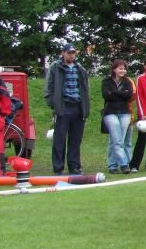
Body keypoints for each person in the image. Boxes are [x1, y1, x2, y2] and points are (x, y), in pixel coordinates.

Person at [44, 43, 90, 175]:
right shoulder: (55, 67)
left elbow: (85, 88)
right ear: (63, 53)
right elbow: (48, 87)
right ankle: (58, 167)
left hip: (78, 106)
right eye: (69, 53)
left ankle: (74, 166)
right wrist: (53, 104)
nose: (71, 55)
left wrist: (85, 106)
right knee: (59, 139)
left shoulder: (80, 68)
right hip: (63, 106)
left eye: (73, 53)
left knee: (75, 139)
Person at [101, 59, 135, 174]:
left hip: (125, 112)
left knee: (115, 140)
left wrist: (114, 92)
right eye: (120, 68)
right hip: (110, 112)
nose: (123, 71)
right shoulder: (106, 81)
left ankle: (112, 165)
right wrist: (121, 94)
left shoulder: (127, 81)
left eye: (124, 69)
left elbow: (128, 95)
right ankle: (124, 164)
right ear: (114, 69)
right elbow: (106, 95)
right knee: (118, 140)